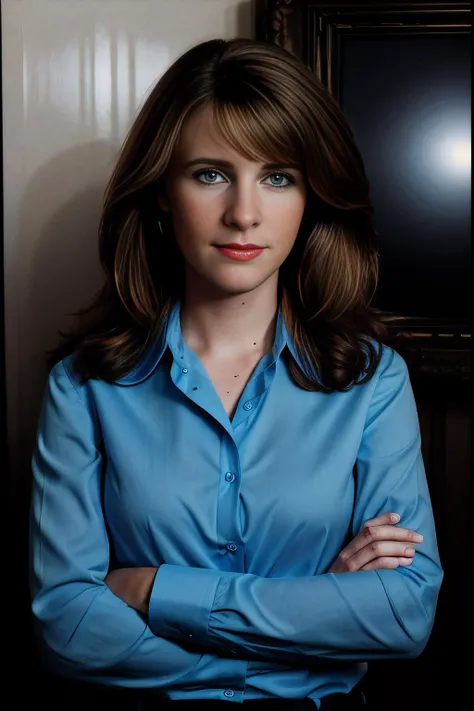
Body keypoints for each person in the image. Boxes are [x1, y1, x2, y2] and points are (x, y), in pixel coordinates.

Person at [29, 38, 443, 711]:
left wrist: (156, 589)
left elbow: (403, 614)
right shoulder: (85, 385)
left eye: (278, 176)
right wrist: (317, 611)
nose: (244, 213)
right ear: (163, 192)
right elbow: (67, 624)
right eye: (210, 174)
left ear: (312, 197)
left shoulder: (372, 380)